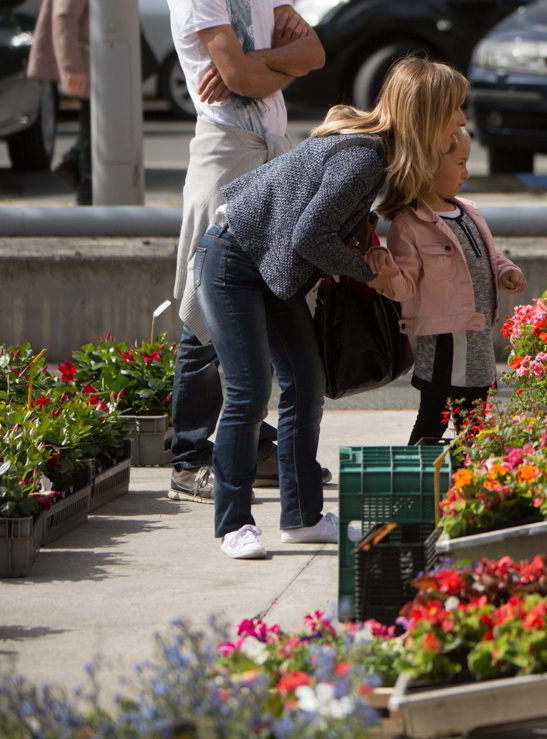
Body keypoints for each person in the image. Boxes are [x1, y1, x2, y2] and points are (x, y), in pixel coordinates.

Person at [198, 56, 467, 560]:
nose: (462, 120)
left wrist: (364, 247)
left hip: (271, 267)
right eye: (456, 108)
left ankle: (301, 519)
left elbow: (318, 231)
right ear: (429, 113)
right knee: (250, 391)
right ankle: (233, 524)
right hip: (233, 258)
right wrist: (369, 271)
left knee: (305, 385)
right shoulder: (366, 156)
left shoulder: (377, 156)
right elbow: (310, 236)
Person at [165, 0, 324, 504]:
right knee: (206, 303)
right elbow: (240, 75)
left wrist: (257, 66)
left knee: (260, 292)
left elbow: (316, 53)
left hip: (270, 146)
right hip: (227, 148)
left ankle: (250, 445)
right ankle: (190, 457)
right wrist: (273, 63)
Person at [377, 130, 526, 445]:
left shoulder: (468, 209)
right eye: (460, 163)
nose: (466, 172)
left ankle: (467, 481)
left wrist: (505, 270)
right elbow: (404, 286)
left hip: (478, 336)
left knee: (474, 417)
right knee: (437, 417)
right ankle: (427, 481)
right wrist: (385, 275)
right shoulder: (409, 223)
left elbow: (484, 254)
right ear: (428, 165)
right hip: (448, 340)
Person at [26, 0, 92, 205]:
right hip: (92, 61)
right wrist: (71, 65)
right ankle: (87, 188)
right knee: (97, 123)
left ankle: (75, 167)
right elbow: (63, 16)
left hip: (106, 57)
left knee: (103, 124)